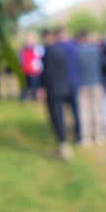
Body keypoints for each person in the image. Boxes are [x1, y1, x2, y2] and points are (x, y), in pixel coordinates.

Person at [38, 27, 82, 160]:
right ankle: (68, 140)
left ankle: (63, 146)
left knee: (56, 116)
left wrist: (43, 88)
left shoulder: (50, 51)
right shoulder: (63, 50)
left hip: (54, 88)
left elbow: (47, 72)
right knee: (67, 113)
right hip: (65, 86)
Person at [75, 31, 104, 145]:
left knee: (84, 111)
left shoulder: (77, 51)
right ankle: (99, 134)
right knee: (97, 109)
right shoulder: (96, 50)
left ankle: (86, 137)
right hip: (96, 82)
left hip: (82, 84)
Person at [19, 32, 44, 101]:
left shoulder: (38, 49)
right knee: (25, 84)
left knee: (34, 85)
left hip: (34, 71)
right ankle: (25, 95)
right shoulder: (23, 50)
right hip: (25, 70)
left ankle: (34, 95)